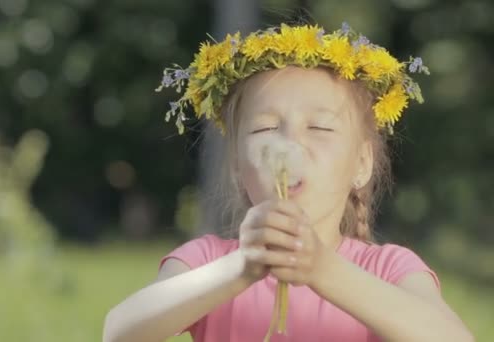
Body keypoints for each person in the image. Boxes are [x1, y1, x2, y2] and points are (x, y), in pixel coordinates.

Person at [103, 22, 474, 342]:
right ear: (236, 166)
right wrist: (240, 269)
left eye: (319, 127)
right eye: (265, 128)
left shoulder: (388, 269)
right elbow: (119, 330)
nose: (290, 143)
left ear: (361, 164)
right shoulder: (207, 260)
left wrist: (323, 271)